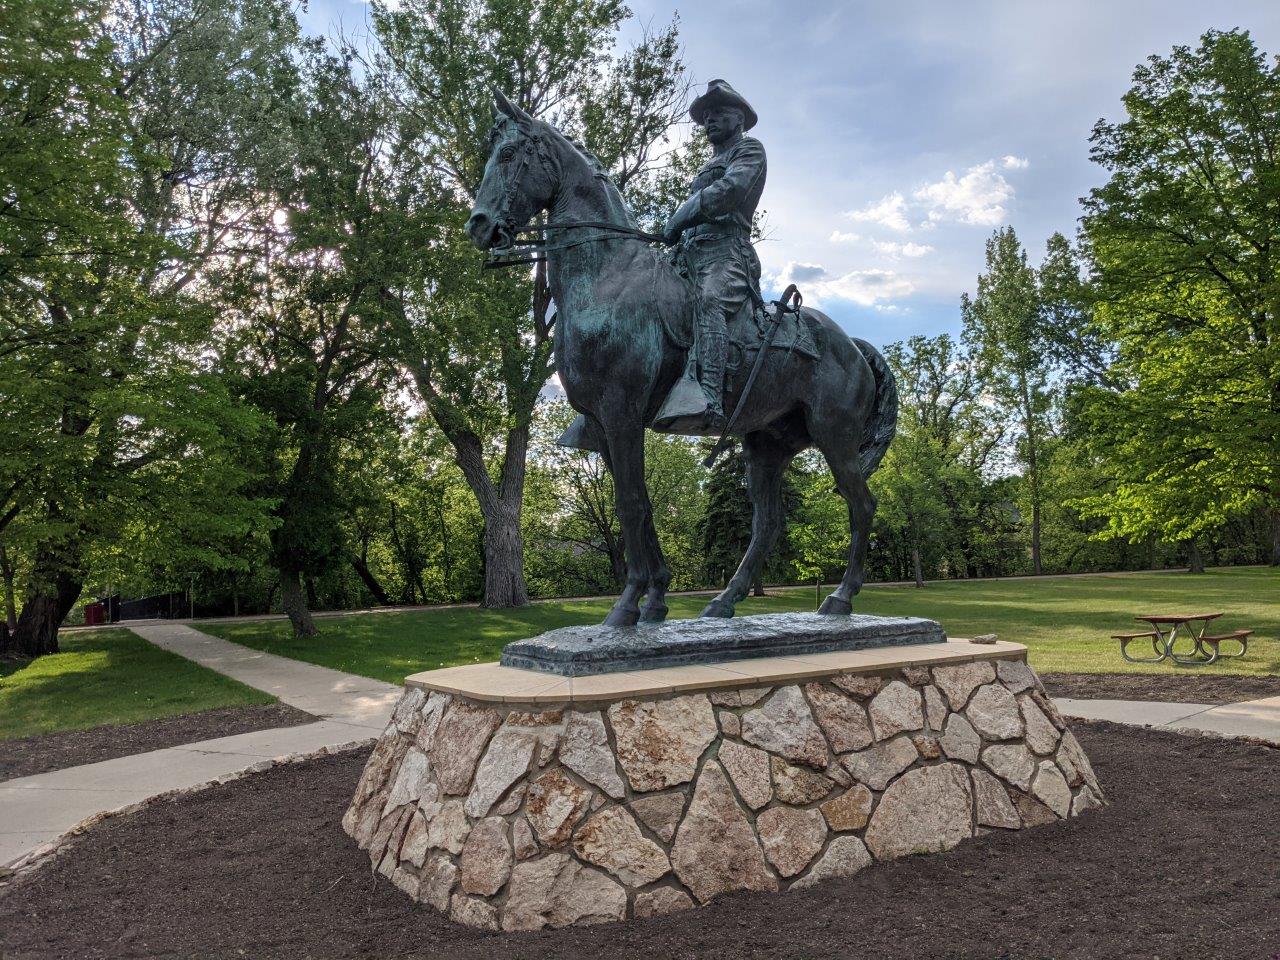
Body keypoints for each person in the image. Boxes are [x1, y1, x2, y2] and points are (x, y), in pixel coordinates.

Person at [662, 79, 767, 429]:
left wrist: (682, 214)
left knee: (709, 300)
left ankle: (709, 395)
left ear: (738, 119)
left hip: (727, 252)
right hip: (690, 252)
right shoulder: (710, 162)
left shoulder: (749, 151)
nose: (709, 120)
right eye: (706, 116)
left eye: (717, 113)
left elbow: (730, 190)